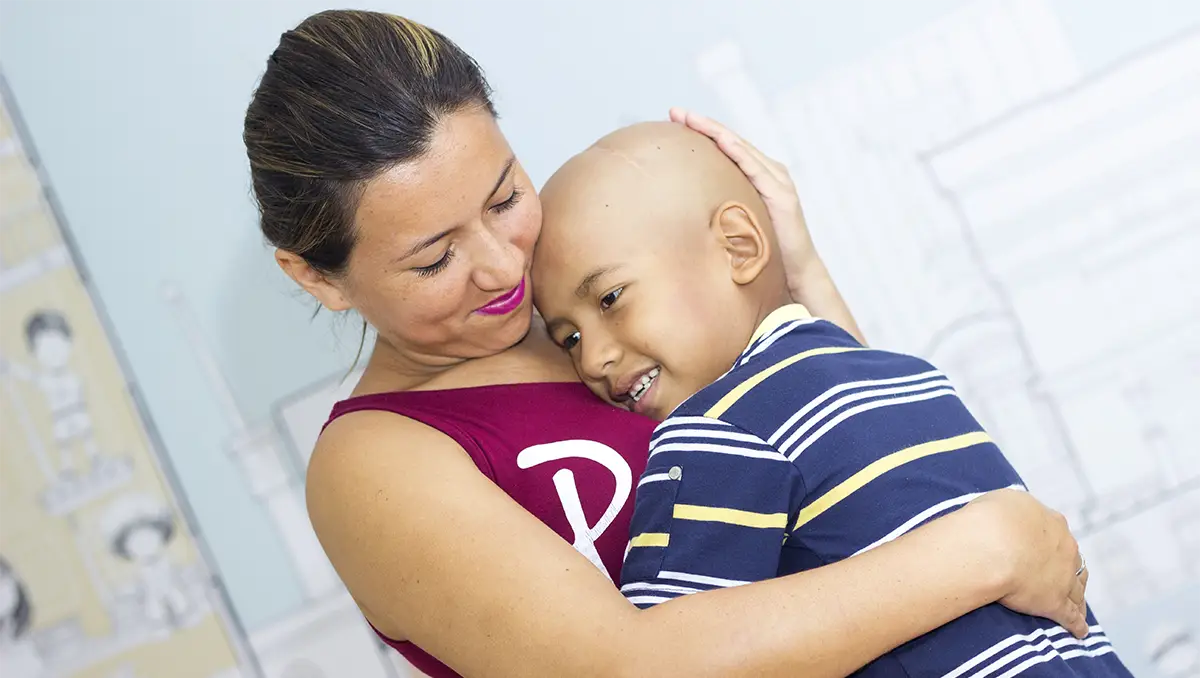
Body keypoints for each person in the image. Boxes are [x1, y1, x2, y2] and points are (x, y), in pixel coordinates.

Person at [243, 10, 1088, 678]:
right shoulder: (376, 461)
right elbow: (625, 668)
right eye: (435, 258)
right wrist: (983, 552)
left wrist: (795, 274)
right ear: (316, 278)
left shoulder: (599, 301)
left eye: (504, 200)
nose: (502, 266)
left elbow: (854, 482)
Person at [532, 121, 1129, 677]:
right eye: (569, 338)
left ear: (740, 247)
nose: (593, 359)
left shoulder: (711, 432)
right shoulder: (907, 377)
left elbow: (667, 656)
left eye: (610, 299)